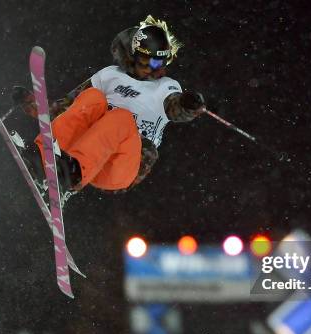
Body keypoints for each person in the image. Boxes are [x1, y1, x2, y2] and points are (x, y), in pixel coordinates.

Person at [14, 15, 205, 200]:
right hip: (85, 154)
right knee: (92, 97)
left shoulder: (165, 86)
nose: (153, 68)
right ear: (133, 56)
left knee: (121, 118)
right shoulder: (109, 76)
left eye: (159, 62)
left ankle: (71, 175)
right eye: (148, 61)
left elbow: (175, 108)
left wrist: (188, 105)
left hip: (122, 165)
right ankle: (41, 158)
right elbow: (65, 108)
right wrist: (32, 103)